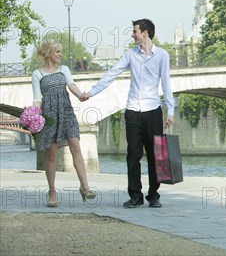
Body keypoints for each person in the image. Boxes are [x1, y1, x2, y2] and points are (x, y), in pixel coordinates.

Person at [82, 19, 174, 208]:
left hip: (153, 111)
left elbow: (166, 84)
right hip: (133, 111)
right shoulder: (130, 55)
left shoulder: (162, 55)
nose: (133, 35)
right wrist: (91, 92)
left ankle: (153, 195)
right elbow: (111, 74)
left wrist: (170, 112)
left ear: (145, 33)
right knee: (133, 154)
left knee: (155, 155)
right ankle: (135, 195)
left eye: (135, 31)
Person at [31, 39, 96, 207]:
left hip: (67, 112)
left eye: (60, 51)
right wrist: (33, 114)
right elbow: (37, 98)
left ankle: (85, 186)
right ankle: (52, 190)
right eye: (57, 51)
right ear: (48, 53)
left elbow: (71, 85)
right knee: (51, 154)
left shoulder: (64, 69)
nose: (60, 54)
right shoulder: (37, 74)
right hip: (50, 116)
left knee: (76, 146)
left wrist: (80, 95)